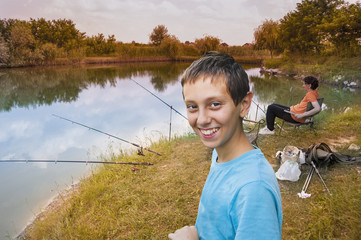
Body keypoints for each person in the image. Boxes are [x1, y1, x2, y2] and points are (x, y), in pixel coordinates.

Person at [168, 52, 283, 240]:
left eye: (214, 104)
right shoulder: (220, 154)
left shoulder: (254, 188)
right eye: (192, 106)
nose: (202, 120)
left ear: (244, 104)